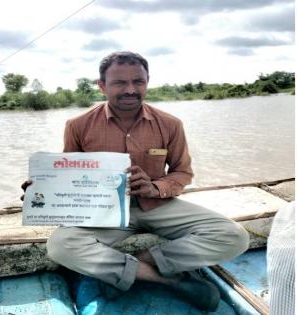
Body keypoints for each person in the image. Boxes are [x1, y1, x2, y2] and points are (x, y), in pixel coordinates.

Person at [22, 51, 249, 311]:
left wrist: (155, 187)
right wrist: (45, 189)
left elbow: (182, 172)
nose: (130, 90)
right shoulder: (78, 125)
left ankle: (136, 266)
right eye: (120, 82)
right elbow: (67, 174)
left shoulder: (170, 124)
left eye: (138, 82)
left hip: (157, 206)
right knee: (60, 245)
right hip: (103, 212)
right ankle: (169, 279)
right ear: (102, 86)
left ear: (147, 82)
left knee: (234, 236)